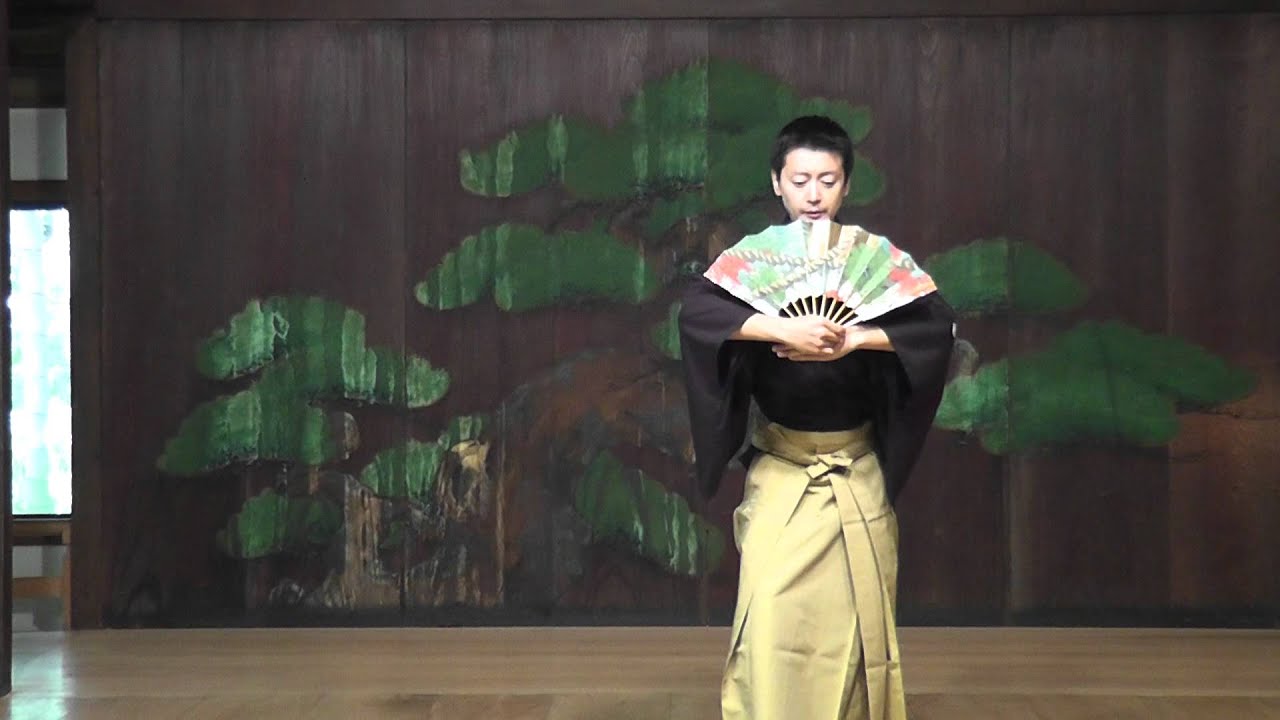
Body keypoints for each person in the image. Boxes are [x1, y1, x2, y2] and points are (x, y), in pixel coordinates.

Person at [678, 115, 956, 720]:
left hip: (856, 469)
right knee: (770, 610)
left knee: (856, 624)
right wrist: (779, 328)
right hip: (783, 466)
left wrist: (856, 338)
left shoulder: (875, 259)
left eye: (827, 181)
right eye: (800, 180)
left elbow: (935, 329)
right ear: (776, 183)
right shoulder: (754, 260)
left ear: (846, 185)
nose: (813, 194)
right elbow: (699, 316)